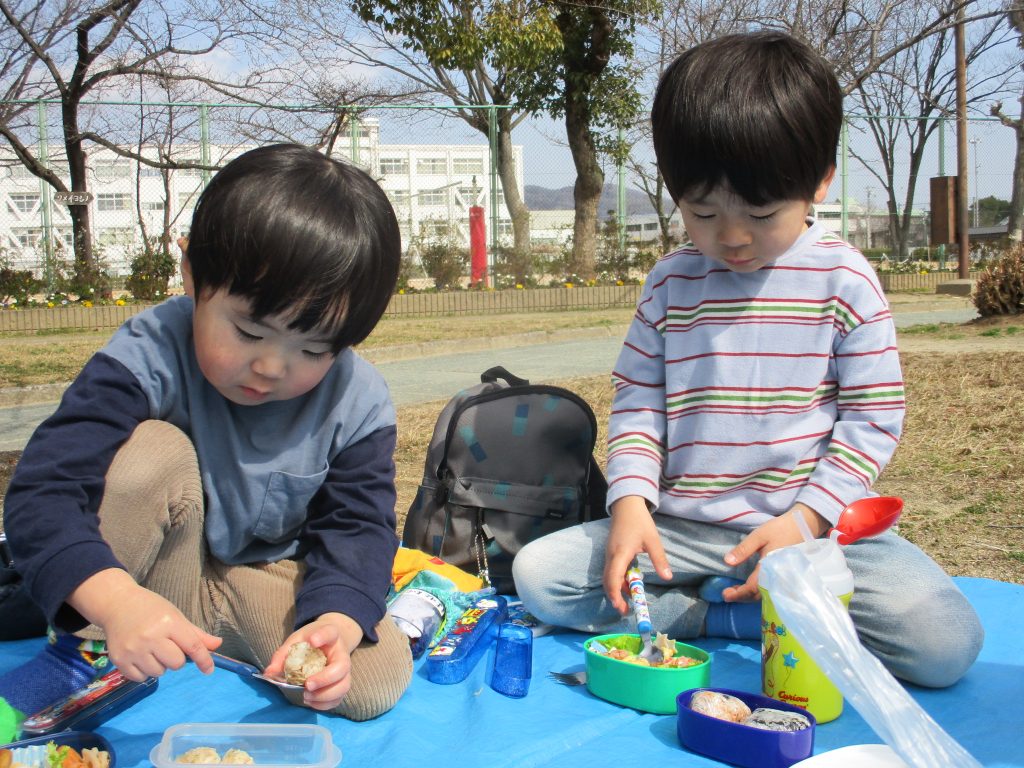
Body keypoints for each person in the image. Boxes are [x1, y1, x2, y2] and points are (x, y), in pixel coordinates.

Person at [513, 32, 983, 687]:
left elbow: (874, 415)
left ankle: (769, 601)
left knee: (944, 642)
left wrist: (807, 517)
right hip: (683, 532)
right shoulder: (673, 282)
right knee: (540, 577)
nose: (731, 238)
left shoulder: (844, 279)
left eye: (760, 212)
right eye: (702, 212)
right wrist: (630, 505)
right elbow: (640, 402)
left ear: (818, 181)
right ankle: (730, 618)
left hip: (814, 531)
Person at [0, 143, 412, 721]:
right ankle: (85, 649)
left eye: (314, 348)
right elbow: (43, 492)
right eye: (248, 331)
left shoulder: (357, 400)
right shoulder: (147, 355)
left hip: (261, 579)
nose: (271, 367)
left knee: (371, 681)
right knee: (149, 454)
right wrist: (116, 601)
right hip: (148, 572)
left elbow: (358, 527)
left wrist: (334, 625)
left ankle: (211, 642)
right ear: (193, 276)